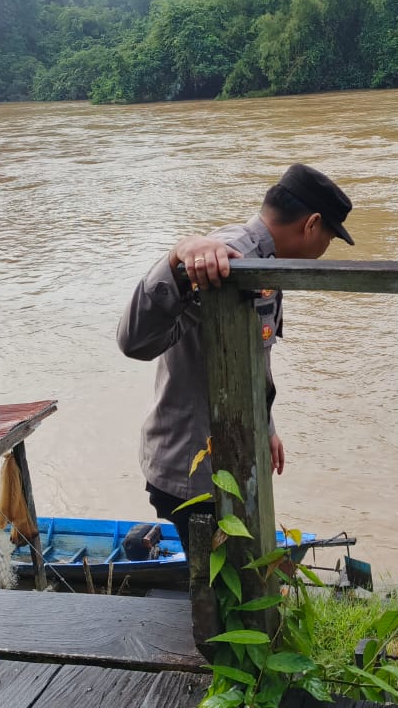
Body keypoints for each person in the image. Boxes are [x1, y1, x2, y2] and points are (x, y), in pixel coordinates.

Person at [116, 163, 354, 553]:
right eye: (330, 237)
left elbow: (252, 357)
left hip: (228, 460)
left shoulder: (265, 261)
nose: (325, 249)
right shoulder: (224, 259)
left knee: (238, 578)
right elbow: (134, 342)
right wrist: (175, 259)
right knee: (231, 592)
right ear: (312, 224)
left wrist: (267, 426)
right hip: (193, 472)